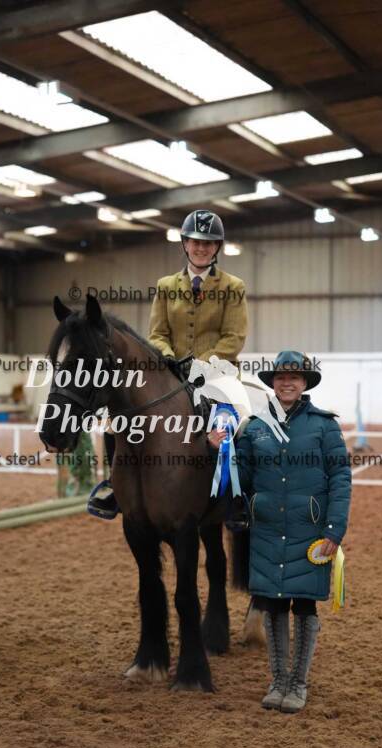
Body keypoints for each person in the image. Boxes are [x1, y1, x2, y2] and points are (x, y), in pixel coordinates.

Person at [208, 351, 351, 712]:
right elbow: (240, 476)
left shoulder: (325, 426)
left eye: (294, 377)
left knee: (303, 604)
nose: (287, 383)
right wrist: (220, 449)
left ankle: (298, 683)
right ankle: (278, 681)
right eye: (281, 377)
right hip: (267, 530)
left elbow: (340, 478)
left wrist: (335, 529)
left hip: (309, 530)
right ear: (273, 383)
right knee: (272, 604)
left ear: (304, 383)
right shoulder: (254, 426)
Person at [88, 209, 248, 518]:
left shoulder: (233, 287)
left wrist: (201, 364)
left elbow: (234, 337)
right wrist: (169, 360)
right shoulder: (165, 285)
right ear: (185, 244)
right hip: (170, 372)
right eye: (195, 242)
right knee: (116, 422)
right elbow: (157, 334)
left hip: (218, 375)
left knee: (238, 423)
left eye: (207, 243)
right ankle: (115, 487)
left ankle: (236, 496)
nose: (201, 248)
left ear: (216, 247)